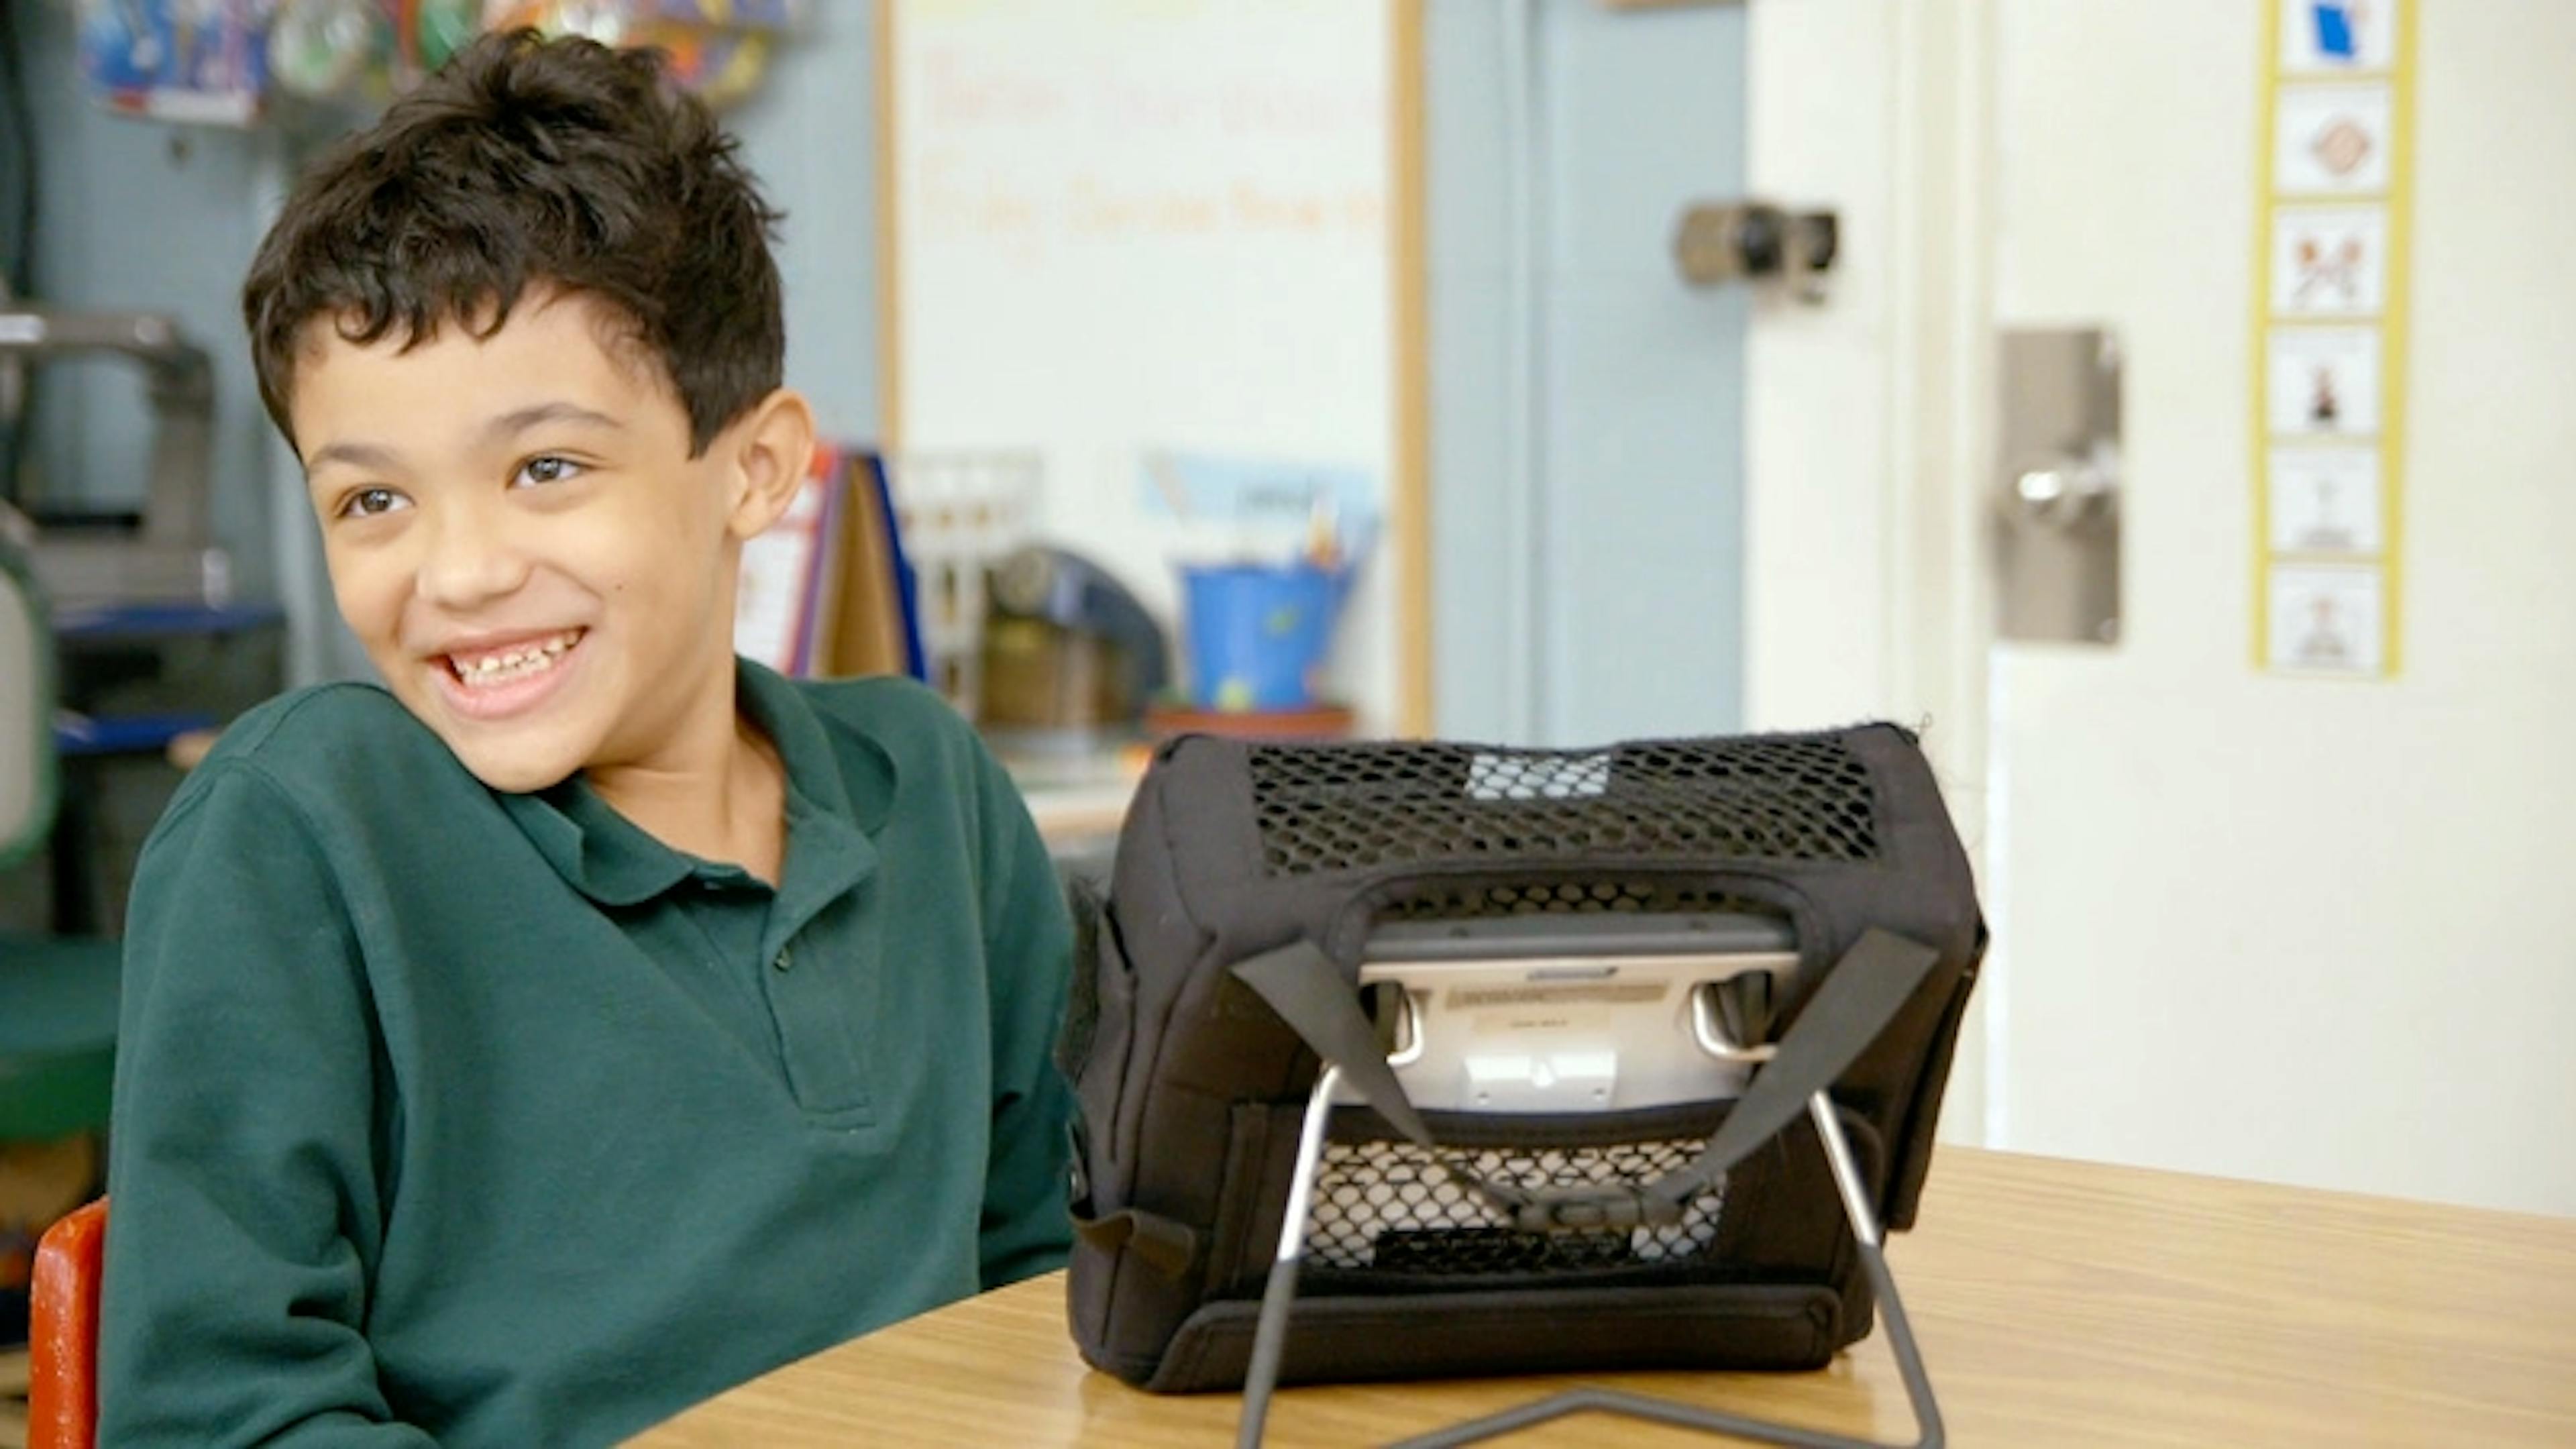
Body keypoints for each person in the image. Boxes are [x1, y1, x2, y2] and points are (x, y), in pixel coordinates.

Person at [99, 31, 1075, 1446]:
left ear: (754, 467)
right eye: (372, 502)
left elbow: (1046, 1297)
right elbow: (218, 1417)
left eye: (545, 470)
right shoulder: (302, 828)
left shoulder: (928, 790)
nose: (460, 572)